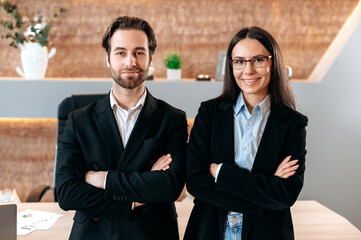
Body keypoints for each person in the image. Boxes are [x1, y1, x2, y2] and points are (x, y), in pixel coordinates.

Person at [56, 16, 188, 240]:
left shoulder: (172, 118)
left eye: (139, 52)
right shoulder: (79, 120)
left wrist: (102, 179)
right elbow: (67, 193)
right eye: (120, 52)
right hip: (94, 233)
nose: (131, 61)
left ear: (150, 58)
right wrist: (134, 198)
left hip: (152, 232)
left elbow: (169, 187)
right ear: (108, 58)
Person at [184, 26, 308, 240]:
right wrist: (265, 191)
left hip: (267, 232)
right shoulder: (209, 113)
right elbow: (196, 181)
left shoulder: (292, 123)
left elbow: (286, 193)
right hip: (210, 229)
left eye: (258, 60)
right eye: (239, 61)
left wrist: (221, 172)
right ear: (231, 66)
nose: (248, 70)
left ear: (272, 63)